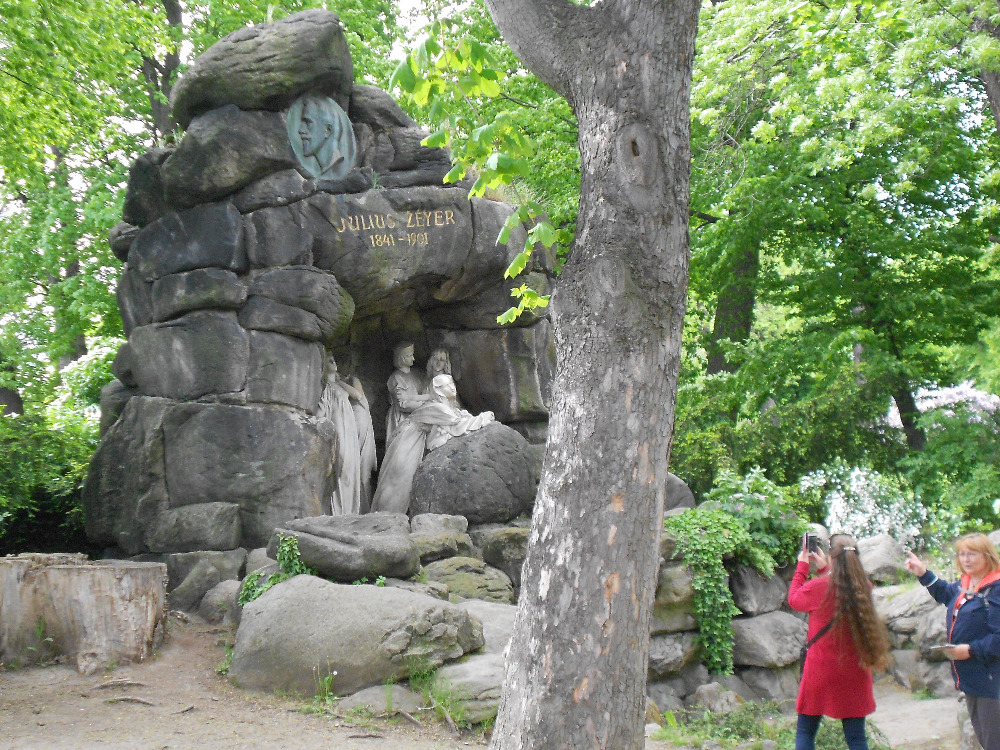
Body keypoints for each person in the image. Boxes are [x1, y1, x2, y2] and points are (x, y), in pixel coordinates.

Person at [789, 533, 890, 750]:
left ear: (831, 556)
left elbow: (794, 599)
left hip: (821, 671)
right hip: (855, 671)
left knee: (805, 732)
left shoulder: (818, 587)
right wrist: (826, 569)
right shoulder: (865, 587)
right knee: (857, 738)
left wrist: (802, 566)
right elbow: (840, 589)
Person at [905, 534, 1000, 750]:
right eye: (962, 554)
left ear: (987, 556)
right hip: (972, 680)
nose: (966, 559)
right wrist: (923, 573)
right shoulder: (966, 584)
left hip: (992, 681)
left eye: (972, 554)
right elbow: (947, 594)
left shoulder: (995, 589)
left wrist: (970, 650)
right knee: (987, 741)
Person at [371, 374, 494, 514]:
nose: (452, 388)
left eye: (452, 384)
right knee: (398, 478)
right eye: (447, 385)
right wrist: (483, 418)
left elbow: (457, 417)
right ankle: (385, 515)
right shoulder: (437, 407)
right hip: (407, 440)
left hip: (416, 440)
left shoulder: (446, 407)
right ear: (439, 390)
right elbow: (456, 423)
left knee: (405, 480)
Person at [317, 354, 361, 515]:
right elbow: (321, 412)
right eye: (330, 361)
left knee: (351, 466)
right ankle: (338, 511)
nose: (334, 363)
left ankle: (349, 511)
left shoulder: (339, 386)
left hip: (349, 429)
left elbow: (358, 395)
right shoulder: (325, 388)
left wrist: (339, 380)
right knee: (341, 464)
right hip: (338, 428)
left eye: (334, 360)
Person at [384, 342, 432, 444]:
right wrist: (423, 405)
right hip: (402, 417)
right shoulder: (396, 378)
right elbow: (402, 404)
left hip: (416, 415)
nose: (413, 358)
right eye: (409, 356)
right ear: (401, 358)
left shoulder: (416, 374)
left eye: (412, 355)